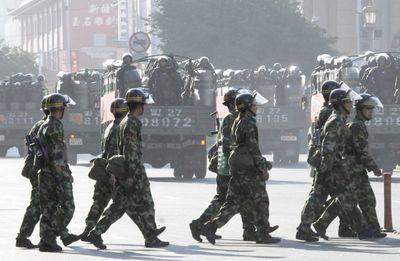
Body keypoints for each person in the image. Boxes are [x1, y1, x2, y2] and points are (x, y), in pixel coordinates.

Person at [87, 88, 168, 249]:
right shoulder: (132, 122)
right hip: (133, 172)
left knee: (120, 205)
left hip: (125, 171)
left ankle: (97, 233)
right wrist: (133, 175)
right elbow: (131, 152)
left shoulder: (124, 122)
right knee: (145, 203)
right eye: (143, 105)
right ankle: (150, 237)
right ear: (139, 106)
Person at [201, 91, 280, 245]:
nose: (256, 107)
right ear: (248, 107)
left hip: (237, 164)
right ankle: (263, 234)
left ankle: (212, 226)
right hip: (247, 167)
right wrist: (262, 166)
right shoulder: (249, 122)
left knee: (234, 202)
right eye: (254, 105)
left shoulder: (237, 120)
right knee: (261, 200)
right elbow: (252, 147)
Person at [297, 89, 371, 242]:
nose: (351, 105)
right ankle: (362, 229)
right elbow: (328, 146)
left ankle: (304, 228)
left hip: (330, 165)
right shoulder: (336, 120)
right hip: (332, 166)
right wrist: (327, 166)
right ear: (340, 104)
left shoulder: (338, 119)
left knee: (318, 197)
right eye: (348, 102)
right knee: (347, 197)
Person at [313, 94, 387, 239]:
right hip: (352, 168)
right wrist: (374, 167)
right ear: (360, 109)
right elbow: (362, 151)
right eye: (368, 109)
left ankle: (325, 224)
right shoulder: (357, 126)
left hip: (353, 167)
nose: (370, 112)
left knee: (350, 199)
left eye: (372, 109)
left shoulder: (357, 124)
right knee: (356, 199)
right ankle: (369, 229)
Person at [306, 80, 355, 238]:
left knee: (338, 195)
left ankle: (342, 226)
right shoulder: (330, 113)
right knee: (323, 195)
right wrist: (326, 163)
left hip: (331, 159)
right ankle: (308, 225)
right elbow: (329, 140)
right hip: (330, 160)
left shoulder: (327, 110)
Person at [80, 98, 128, 241]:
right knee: (121, 204)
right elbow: (118, 153)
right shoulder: (121, 128)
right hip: (114, 171)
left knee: (100, 202)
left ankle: (87, 230)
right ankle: (96, 232)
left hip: (104, 169)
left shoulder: (109, 127)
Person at [37, 94, 80, 252]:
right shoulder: (56, 125)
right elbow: (56, 154)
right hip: (55, 173)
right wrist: (64, 175)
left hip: (45, 173)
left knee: (49, 208)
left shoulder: (44, 124)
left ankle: (46, 240)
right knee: (68, 206)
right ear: (60, 109)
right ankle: (51, 236)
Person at [16, 95, 50, 249]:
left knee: (39, 203)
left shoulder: (39, 124)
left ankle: (45, 236)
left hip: (34, 168)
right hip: (38, 169)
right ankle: (23, 236)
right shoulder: (47, 125)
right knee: (37, 204)